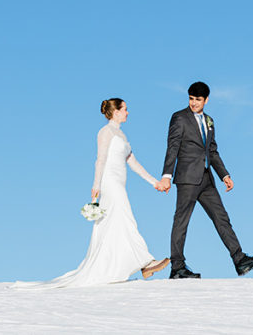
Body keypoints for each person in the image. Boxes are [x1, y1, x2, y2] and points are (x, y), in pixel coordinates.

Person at [14, 99, 169, 288]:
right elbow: (100, 160)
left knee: (114, 225)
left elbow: (133, 163)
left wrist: (155, 182)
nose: (128, 113)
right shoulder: (105, 132)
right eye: (125, 109)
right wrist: (96, 186)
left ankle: (117, 266)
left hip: (120, 182)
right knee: (126, 218)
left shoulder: (121, 134)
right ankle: (146, 262)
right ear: (116, 112)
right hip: (110, 183)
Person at [157, 81, 253, 279]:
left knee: (221, 218)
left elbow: (212, 151)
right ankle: (177, 267)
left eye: (198, 100)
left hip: (207, 179)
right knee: (181, 221)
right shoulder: (179, 118)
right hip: (188, 178)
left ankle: (240, 260)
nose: (194, 103)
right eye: (191, 99)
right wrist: (166, 175)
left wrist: (224, 175)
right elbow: (172, 147)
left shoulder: (209, 121)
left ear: (206, 100)